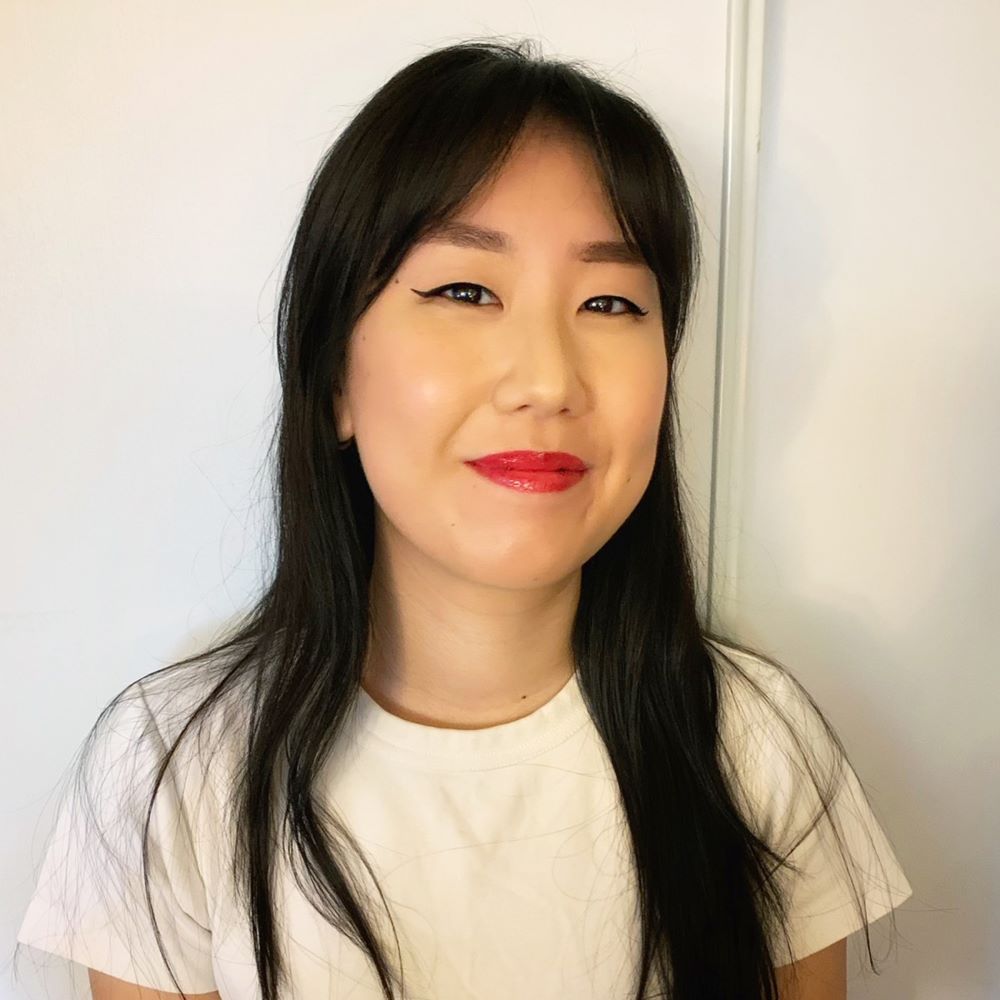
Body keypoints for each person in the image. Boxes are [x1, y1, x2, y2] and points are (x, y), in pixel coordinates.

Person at [13, 37, 913, 1000]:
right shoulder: (170, 772)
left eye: (611, 302)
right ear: (334, 380)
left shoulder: (754, 749)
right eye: (465, 290)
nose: (549, 381)